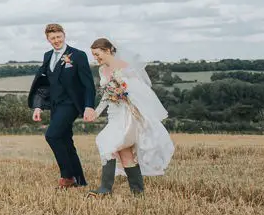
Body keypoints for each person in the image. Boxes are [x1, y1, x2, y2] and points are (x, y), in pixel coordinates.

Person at [87, 38, 175, 196]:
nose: (96, 58)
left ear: (107, 51)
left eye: (97, 54)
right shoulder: (102, 70)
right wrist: (96, 112)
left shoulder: (124, 67)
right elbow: (107, 94)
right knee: (124, 153)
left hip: (127, 114)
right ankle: (138, 192)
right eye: (93, 55)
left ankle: (105, 189)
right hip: (114, 114)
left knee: (106, 143)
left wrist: (126, 97)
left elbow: (141, 90)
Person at [27, 23, 96, 189]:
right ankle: (80, 181)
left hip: (70, 103)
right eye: (53, 38)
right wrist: (38, 106)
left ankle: (67, 177)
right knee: (65, 140)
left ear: (64, 35)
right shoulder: (47, 56)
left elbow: (88, 84)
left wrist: (89, 106)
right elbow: (45, 84)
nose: (56, 40)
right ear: (48, 39)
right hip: (55, 105)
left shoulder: (78, 55)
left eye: (59, 37)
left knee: (52, 136)